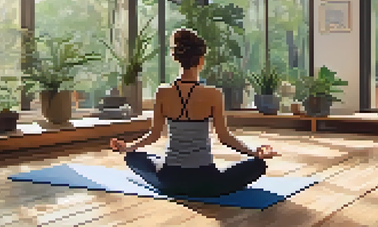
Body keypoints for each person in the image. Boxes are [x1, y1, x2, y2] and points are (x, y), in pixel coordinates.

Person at [109, 28, 280, 197]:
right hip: (206, 182)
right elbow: (224, 137)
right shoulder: (213, 94)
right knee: (258, 165)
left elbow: (153, 136)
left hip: (169, 181)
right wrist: (254, 153)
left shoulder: (162, 92)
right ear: (201, 60)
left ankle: (142, 159)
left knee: (132, 158)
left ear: (177, 59)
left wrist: (129, 147)